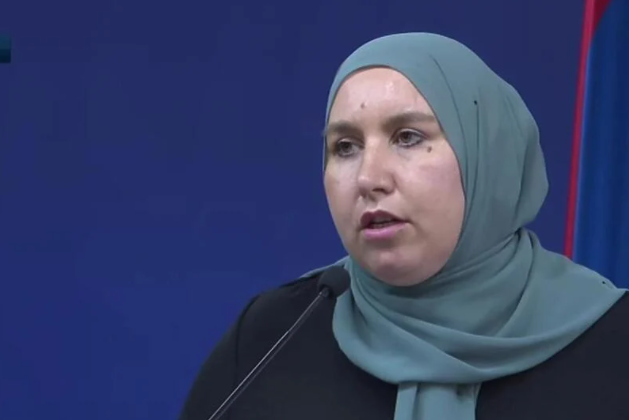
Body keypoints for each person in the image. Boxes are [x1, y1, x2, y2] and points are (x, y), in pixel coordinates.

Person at [178, 33, 629, 420]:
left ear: (488, 155)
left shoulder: (613, 340)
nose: (369, 178)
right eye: (345, 146)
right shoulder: (272, 335)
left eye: (408, 137)